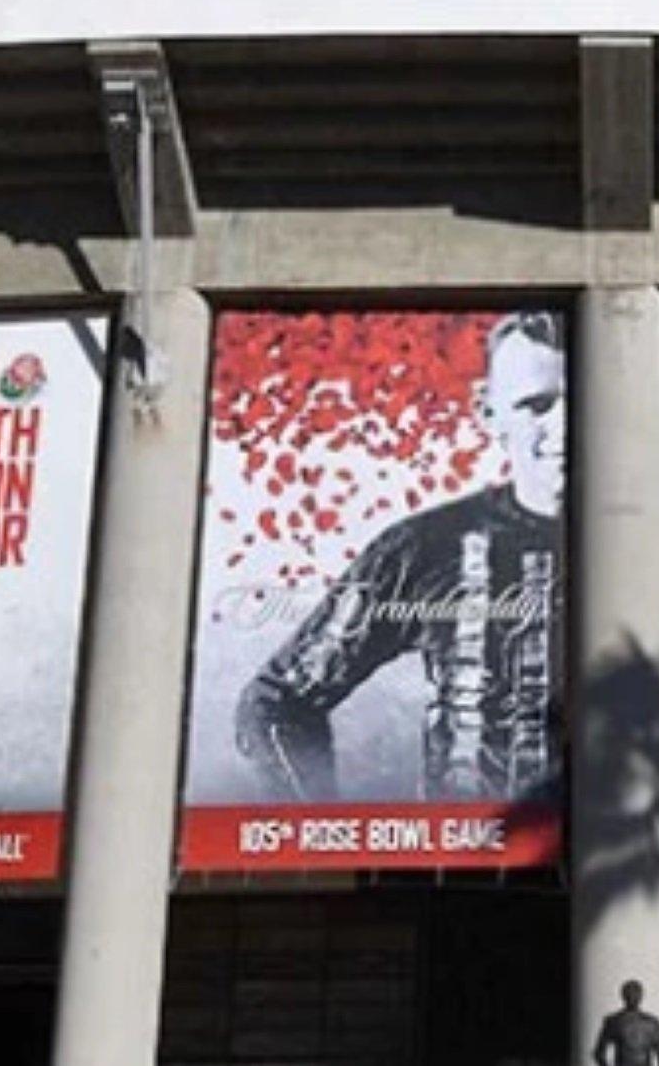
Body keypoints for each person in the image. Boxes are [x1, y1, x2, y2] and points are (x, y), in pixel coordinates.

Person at [235, 309, 568, 801]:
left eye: (586, 401)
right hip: (465, 865)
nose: (564, 424)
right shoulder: (425, 548)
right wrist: (320, 839)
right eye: (537, 404)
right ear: (487, 413)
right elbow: (276, 704)